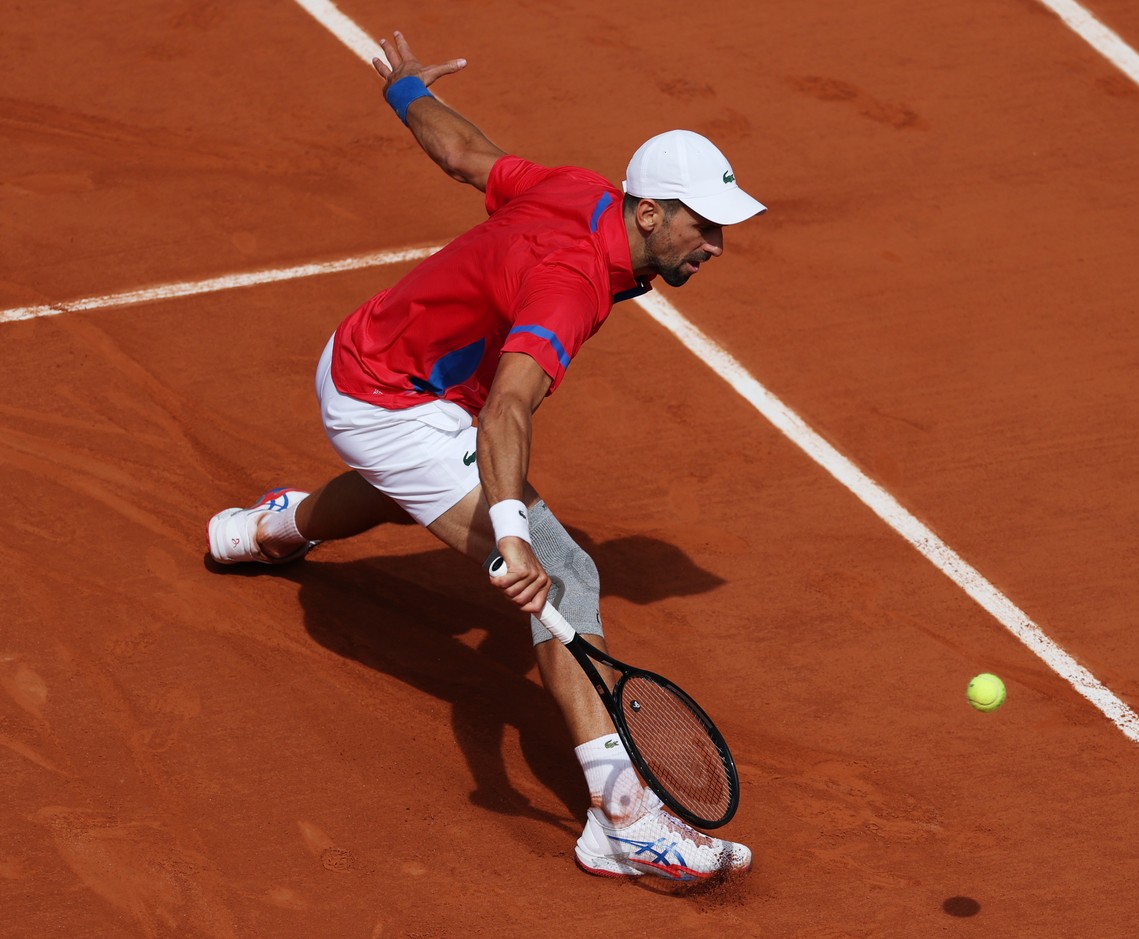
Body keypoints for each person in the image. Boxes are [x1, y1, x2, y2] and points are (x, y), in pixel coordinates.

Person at [205, 32, 764, 881]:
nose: (716, 245)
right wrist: (512, 535)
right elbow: (507, 408)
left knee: (413, 491)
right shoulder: (572, 282)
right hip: (388, 403)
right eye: (704, 225)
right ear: (648, 212)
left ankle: (272, 531)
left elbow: (466, 153)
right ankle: (622, 822)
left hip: (370, 352)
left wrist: (404, 93)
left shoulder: (581, 191)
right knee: (565, 577)